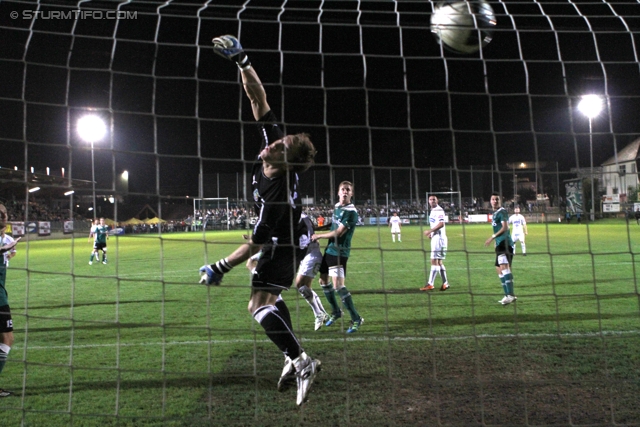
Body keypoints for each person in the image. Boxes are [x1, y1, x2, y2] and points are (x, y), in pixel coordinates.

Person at [200, 35, 319, 406]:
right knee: (268, 298)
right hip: (285, 240)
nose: (272, 144)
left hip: (284, 245)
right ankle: (293, 356)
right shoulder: (274, 144)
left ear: (285, 163)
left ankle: (301, 361)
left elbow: (255, 241)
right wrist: (242, 61)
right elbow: (257, 98)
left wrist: (220, 266)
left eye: (280, 148)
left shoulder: (276, 196)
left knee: (258, 304)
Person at [311, 181, 364, 334]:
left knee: (338, 286)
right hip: (329, 250)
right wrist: (315, 228)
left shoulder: (351, 212)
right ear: (338, 192)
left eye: (348, 190)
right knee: (322, 280)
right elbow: (333, 225)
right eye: (343, 189)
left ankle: (356, 318)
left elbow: (339, 232)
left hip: (340, 252)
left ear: (351, 194)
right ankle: (336, 312)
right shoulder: (337, 207)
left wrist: (319, 235)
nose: (345, 192)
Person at [0, 204, 21, 398]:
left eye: (4, 213)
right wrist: (3, 249)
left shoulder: (5, 238)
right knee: (7, 338)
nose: (3, 216)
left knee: (5, 339)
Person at [484, 193, 517, 305]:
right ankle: (507, 294)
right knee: (498, 268)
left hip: (505, 243)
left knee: (504, 267)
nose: (495, 201)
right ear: (490, 201)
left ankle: (511, 295)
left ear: (500, 200)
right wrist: (496, 242)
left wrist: (492, 238)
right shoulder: (495, 213)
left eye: (497, 199)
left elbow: (505, 227)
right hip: (500, 243)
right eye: (493, 199)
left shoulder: (502, 212)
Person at [420, 195, 449, 291]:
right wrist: (431, 233)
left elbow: (441, 224)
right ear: (428, 201)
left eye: (434, 199)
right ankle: (445, 283)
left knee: (434, 261)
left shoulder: (438, 210)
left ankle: (430, 284)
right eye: (430, 199)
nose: (432, 201)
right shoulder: (433, 211)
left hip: (439, 239)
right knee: (439, 262)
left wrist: (430, 231)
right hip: (438, 237)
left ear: (437, 201)